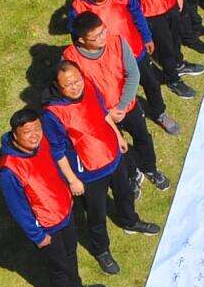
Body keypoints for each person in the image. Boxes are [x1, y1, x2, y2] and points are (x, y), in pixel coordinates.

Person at [40, 61, 159, 278]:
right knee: (96, 214)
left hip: (112, 156)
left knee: (125, 193)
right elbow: (57, 152)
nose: (76, 87)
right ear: (57, 87)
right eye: (69, 85)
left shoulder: (88, 85)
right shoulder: (51, 114)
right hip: (88, 172)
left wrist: (117, 136)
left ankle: (130, 221)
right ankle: (101, 249)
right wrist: (72, 180)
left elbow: (103, 113)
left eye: (77, 80)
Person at [0, 107, 101, 287]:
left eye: (37, 129)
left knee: (71, 252)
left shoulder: (41, 144)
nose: (34, 135)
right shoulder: (8, 170)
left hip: (64, 211)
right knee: (58, 267)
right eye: (27, 132)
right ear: (15, 135)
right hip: (46, 226)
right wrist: (37, 236)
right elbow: (18, 208)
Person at [64, 10, 169, 183]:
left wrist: (121, 106)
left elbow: (133, 74)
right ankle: (133, 173)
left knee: (143, 138)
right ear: (81, 40)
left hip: (127, 106)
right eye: (96, 36)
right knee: (117, 147)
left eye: (103, 31)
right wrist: (106, 113)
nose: (103, 37)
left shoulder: (117, 42)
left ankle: (150, 168)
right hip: (102, 116)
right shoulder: (70, 59)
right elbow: (80, 95)